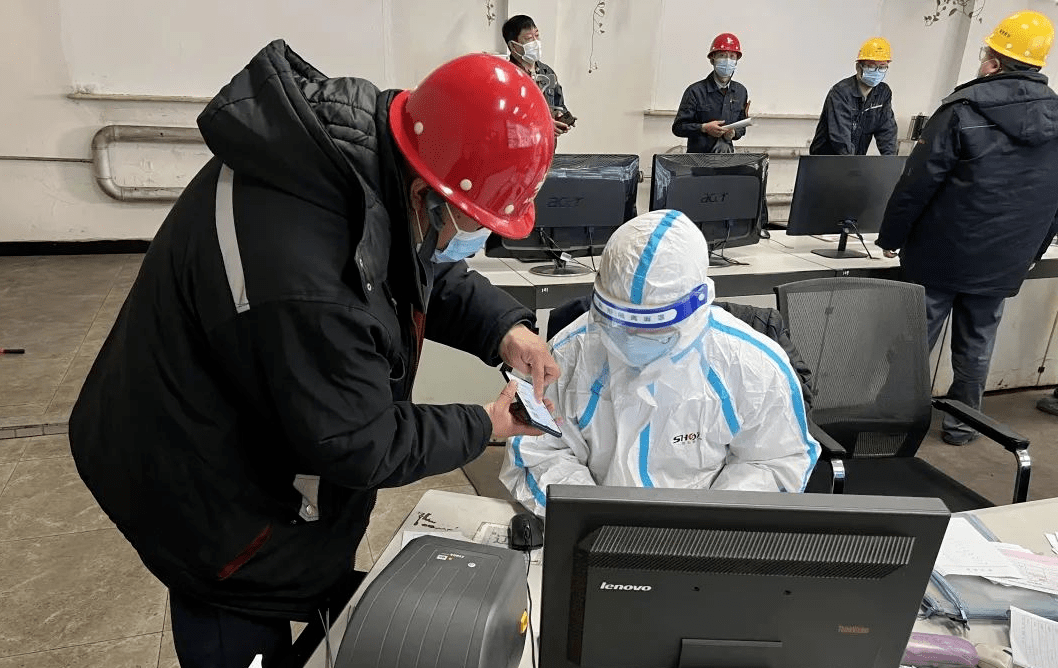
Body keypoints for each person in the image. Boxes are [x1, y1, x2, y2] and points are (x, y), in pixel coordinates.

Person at [68, 42, 561, 668]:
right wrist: (483, 423)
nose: (470, 236)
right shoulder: (311, 277)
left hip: (225, 407)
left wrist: (504, 329)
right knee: (236, 613)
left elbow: (406, 268)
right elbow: (357, 440)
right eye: (467, 221)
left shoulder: (359, 158)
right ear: (423, 194)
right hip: (198, 487)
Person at [500, 210, 820, 515]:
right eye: (619, 321)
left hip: (700, 543)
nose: (632, 336)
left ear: (695, 307)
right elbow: (535, 452)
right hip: (594, 532)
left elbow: (776, 461)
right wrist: (591, 513)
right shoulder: (568, 353)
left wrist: (709, 521)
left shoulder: (751, 365)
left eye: (653, 326)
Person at [876, 10, 1058, 445]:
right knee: (977, 344)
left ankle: (895, 423)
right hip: (1004, 259)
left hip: (942, 251)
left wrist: (891, 236)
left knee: (915, 342)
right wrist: (1033, 250)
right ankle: (962, 426)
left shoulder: (962, 109)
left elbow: (918, 181)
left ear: (994, 62)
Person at [809, 37, 898, 156]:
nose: (876, 71)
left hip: (854, 158)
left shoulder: (883, 93)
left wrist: (890, 162)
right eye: (871, 66)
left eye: (882, 67)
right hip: (827, 160)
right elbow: (840, 137)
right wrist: (853, 165)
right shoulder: (841, 93)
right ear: (858, 67)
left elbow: (887, 131)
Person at [672, 33, 750, 153]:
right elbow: (678, 128)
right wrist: (703, 128)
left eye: (732, 56)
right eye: (722, 56)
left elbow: (742, 125)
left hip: (727, 161)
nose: (727, 61)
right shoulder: (695, 91)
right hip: (698, 163)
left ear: (736, 61)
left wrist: (734, 133)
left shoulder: (740, 92)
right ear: (712, 59)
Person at [503, 14, 573, 138]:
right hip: (520, 146)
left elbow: (558, 103)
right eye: (529, 38)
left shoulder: (547, 72)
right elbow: (507, 119)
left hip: (547, 145)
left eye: (537, 35)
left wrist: (561, 116)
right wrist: (543, 125)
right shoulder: (506, 77)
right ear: (513, 46)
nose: (536, 42)